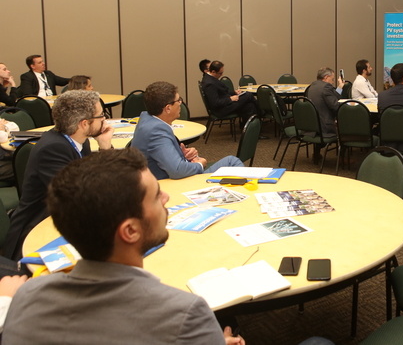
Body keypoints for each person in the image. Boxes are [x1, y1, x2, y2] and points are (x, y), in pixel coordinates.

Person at [2, 148, 244, 345]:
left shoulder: (24, 298)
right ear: (130, 231)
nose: (166, 198)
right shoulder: (185, 314)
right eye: (156, 195)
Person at [3, 90, 114, 260]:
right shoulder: (53, 148)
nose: (104, 120)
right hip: (37, 232)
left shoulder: (78, 141)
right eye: (101, 116)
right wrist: (105, 151)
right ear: (84, 124)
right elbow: (77, 197)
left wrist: (104, 146)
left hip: (64, 220)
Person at [131, 81, 244, 180]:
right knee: (232, 162)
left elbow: (161, 156)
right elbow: (177, 170)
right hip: (173, 184)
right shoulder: (157, 131)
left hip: (166, 177)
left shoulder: (147, 120)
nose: (180, 103)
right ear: (168, 108)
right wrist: (200, 164)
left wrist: (182, 156)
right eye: (178, 100)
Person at [201, 61, 256, 125]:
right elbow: (215, 103)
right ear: (213, 72)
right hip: (221, 109)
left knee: (249, 106)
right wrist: (230, 99)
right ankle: (261, 114)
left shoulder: (210, 79)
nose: (221, 75)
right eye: (220, 73)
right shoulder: (209, 83)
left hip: (225, 104)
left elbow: (222, 93)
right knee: (248, 95)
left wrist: (234, 92)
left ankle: (247, 127)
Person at [307, 67, 344, 138]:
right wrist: (348, 104)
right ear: (326, 77)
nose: (333, 82)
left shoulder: (313, 86)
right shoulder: (326, 87)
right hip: (325, 127)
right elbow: (336, 106)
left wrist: (340, 87)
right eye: (332, 79)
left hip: (313, 127)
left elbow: (332, 97)